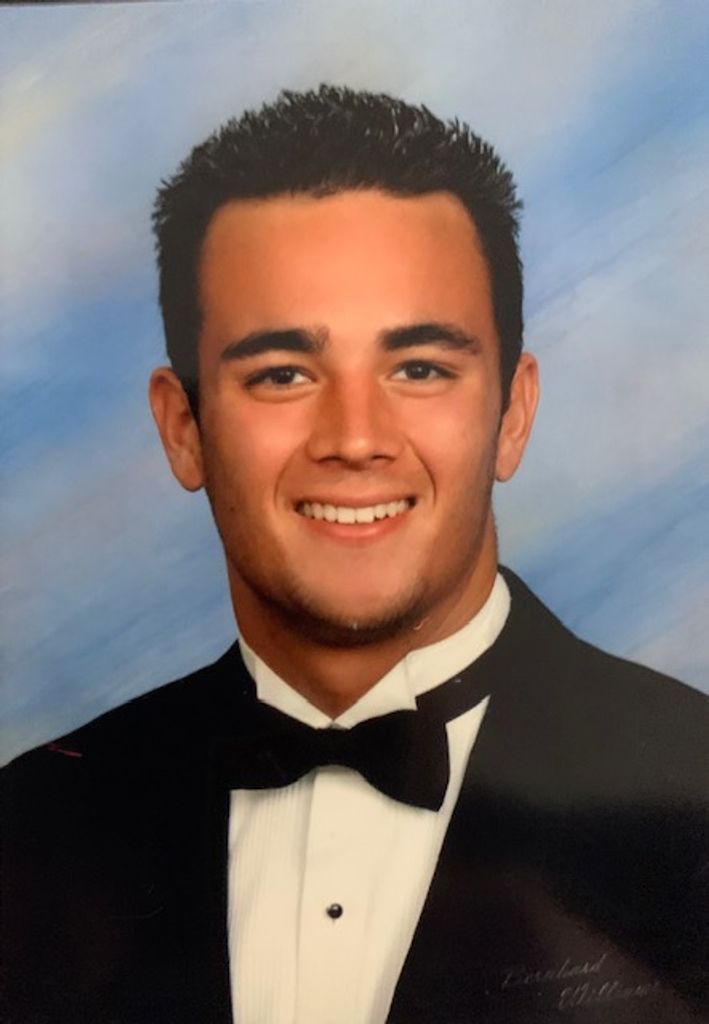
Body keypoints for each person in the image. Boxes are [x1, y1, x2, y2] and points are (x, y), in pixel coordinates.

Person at [3, 85, 707, 1024]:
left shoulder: (692, 796)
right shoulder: (33, 828)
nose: (355, 438)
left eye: (418, 368)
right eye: (282, 374)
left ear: (512, 413)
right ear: (183, 428)